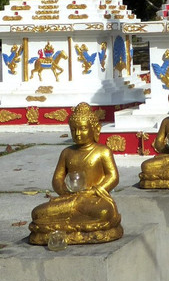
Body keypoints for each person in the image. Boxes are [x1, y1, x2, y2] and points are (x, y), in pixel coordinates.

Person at [28, 103, 123, 245]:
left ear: (95, 129)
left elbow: (113, 176)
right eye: (74, 129)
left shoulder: (102, 151)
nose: (78, 133)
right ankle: (79, 228)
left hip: (92, 200)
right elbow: (57, 178)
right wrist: (64, 191)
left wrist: (93, 191)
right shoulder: (67, 152)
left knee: (104, 212)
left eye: (83, 128)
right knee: (37, 213)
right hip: (70, 198)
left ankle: (59, 229)